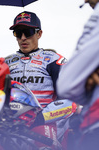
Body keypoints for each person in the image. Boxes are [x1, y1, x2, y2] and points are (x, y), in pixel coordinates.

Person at [5, 11, 76, 149]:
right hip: (12, 125)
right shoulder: (5, 63)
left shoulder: (53, 59)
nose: (23, 38)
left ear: (39, 34)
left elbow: (70, 99)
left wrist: (40, 118)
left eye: (28, 32)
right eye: (18, 33)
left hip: (45, 122)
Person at [56, 0, 99, 149]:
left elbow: (67, 85)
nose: (86, 2)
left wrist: (86, 76)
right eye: (17, 33)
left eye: (27, 32)